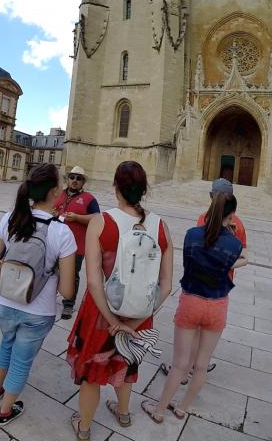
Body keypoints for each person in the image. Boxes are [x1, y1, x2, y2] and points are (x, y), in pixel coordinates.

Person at [67, 161, 173, 440]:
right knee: (127, 363)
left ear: (115, 187)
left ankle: (85, 427)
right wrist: (135, 322)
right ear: (143, 189)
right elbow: (167, 285)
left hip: (102, 311)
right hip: (139, 313)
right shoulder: (161, 226)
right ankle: (123, 413)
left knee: (92, 371)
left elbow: (92, 280)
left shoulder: (103, 222)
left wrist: (114, 321)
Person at [0, 163, 76, 426]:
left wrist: (16, 274)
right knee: (22, 361)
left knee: (6, 343)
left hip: (4, 302)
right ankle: (5, 410)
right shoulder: (62, 232)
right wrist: (47, 273)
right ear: (56, 191)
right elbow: (68, 290)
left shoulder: (10, 217)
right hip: (38, 310)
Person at [142, 192, 245, 423]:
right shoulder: (234, 244)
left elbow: (190, 265)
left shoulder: (192, 235)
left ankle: (158, 410)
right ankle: (182, 408)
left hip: (191, 300)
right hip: (217, 304)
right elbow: (237, 259)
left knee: (180, 364)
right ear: (232, 215)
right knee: (201, 365)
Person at [160, 178, 248, 382]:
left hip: (200, 285)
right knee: (205, 329)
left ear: (212, 198)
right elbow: (242, 253)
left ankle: (183, 370)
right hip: (221, 288)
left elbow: (201, 250)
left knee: (193, 330)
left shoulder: (205, 218)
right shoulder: (240, 223)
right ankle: (198, 365)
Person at [52, 166, 100, 320]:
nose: (75, 181)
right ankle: (48, 297)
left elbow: (97, 218)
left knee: (72, 275)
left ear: (83, 182)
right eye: (72, 177)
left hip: (76, 245)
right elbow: (48, 209)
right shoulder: (58, 193)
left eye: (79, 178)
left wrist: (78, 218)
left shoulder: (89, 198)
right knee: (50, 271)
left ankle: (68, 304)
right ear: (68, 179)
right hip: (54, 241)